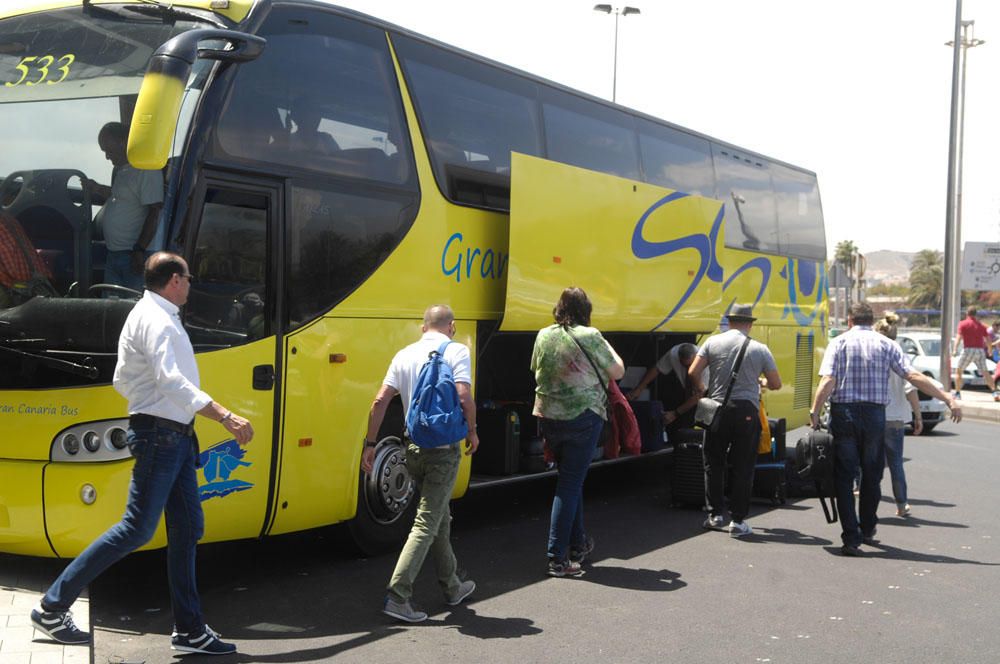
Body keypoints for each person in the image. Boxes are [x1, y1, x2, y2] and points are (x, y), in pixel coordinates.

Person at [30, 252, 254, 653]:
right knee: (136, 528)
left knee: (187, 529)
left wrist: (152, 406)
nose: (190, 284)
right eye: (187, 277)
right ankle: (52, 606)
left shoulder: (151, 314)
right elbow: (170, 380)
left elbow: (123, 378)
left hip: (174, 434)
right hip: (162, 435)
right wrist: (225, 416)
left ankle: (189, 630)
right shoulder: (157, 321)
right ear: (173, 280)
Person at [810, 302, 961, 557]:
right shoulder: (887, 345)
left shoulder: (839, 343)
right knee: (872, 473)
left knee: (845, 476)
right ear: (871, 320)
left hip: (844, 413)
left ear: (849, 320)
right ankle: (867, 527)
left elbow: (828, 380)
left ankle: (851, 538)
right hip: (874, 415)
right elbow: (912, 375)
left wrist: (815, 411)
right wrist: (947, 397)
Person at [362, 304, 478, 623]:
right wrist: (473, 430)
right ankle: (398, 596)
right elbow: (464, 396)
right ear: (451, 326)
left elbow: (379, 401)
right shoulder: (456, 351)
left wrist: (370, 444)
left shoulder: (404, 354)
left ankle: (452, 586)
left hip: (412, 448)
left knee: (439, 516)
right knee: (427, 521)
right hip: (443, 450)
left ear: (422, 327)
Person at [531, 287, 625, 577]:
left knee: (571, 482)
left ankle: (578, 545)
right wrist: (602, 343)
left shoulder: (544, 334)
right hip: (583, 418)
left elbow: (534, 368)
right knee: (569, 485)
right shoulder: (591, 336)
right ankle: (557, 559)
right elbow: (618, 371)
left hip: (548, 417)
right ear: (586, 309)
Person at [687, 304, 781, 538]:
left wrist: (702, 389)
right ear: (750, 324)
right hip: (746, 412)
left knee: (713, 462)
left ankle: (715, 515)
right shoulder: (760, 348)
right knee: (743, 466)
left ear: (729, 322)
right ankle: (738, 521)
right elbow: (776, 383)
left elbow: (692, 372)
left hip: (717, 410)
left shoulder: (712, 342)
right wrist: (762, 384)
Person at [87, 122, 164, 291]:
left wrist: (139, 250)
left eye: (109, 150)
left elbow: (154, 212)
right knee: (111, 309)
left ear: (123, 142)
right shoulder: (122, 170)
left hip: (133, 256)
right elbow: (122, 197)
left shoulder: (146, 170)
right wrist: (96, 188)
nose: (107, 156)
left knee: (132, 308)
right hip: (113, 254)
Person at [874, 313, 922, 518]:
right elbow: (911, 389)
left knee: (870, 462)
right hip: (895, 419)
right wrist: (918, 416)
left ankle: (867, 504)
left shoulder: (873, 353)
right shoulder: (901, 355)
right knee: (895, 464)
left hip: (874, 414)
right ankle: (902, 504)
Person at [626, 342, 706, 434]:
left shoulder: (704, 362)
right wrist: (639, 388)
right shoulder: (674, 353)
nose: (688, 368)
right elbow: (657, 368)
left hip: (705, 396)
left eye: (690, 365)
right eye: (684, 365)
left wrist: (675, 414)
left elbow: (699, 396)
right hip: (686, 390)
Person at [952, 306, 997, 399]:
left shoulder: (963, 324)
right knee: (986, 373)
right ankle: (994, 392)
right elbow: (988, 339)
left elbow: (959, 337)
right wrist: (989, 350)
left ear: (967, 314)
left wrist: (955, 349)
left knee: (959, 371)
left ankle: (957, 393)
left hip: (968, 350)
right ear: (976, 314)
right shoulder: (981, 325)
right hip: (980, 351)